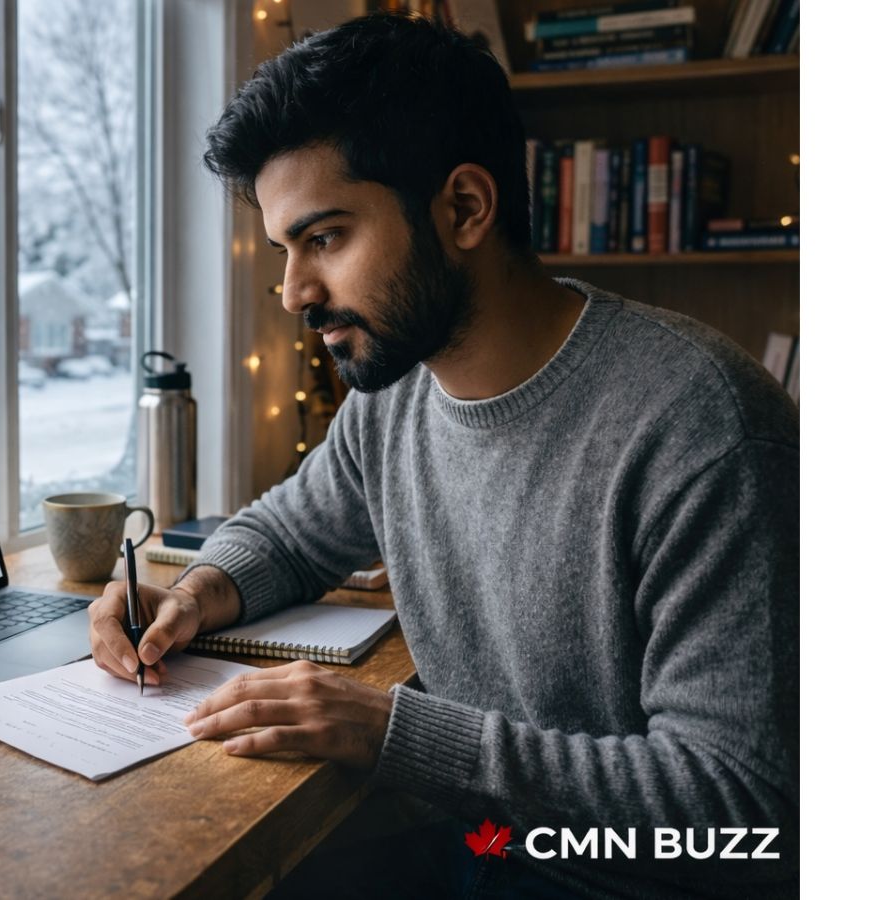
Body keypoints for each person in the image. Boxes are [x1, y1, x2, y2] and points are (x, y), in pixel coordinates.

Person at [87, 12, 797, 898]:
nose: (293, 292)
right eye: (283, 250)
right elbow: (292, 535)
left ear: (465, 207)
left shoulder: (702, 426)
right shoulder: (397, 395)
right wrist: (188, 597)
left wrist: (394, 731)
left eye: (325, 238)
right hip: (486, 849)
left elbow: (741, 816)